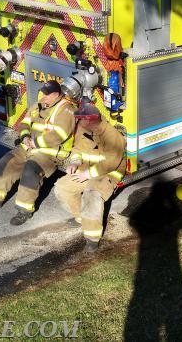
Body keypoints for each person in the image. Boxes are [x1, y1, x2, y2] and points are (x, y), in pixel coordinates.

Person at [0, 80, 77, 225]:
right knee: (6, 161)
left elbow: (58, 136)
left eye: (46, 95)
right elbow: (25, 123)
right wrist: (25, 136)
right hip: (29, 146)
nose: (42, 97)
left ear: (55, 95)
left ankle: (24, 211)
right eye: (43, 93)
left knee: (31, 170)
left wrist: (36, 143)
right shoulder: (39, 105)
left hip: (50, 152)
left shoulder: (66, 110)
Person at [54, 99, 126, 251]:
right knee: (62, 187)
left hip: (107, 173)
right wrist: (74, 162)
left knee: (91, 194)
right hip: (86, 170)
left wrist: (87, 174)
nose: (79, 121)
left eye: (82, 118)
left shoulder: (112, 136)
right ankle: (81, 217)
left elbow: (110, 163)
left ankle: (92, 238)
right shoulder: (82, 128)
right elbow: (77, 149)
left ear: (91, 120)